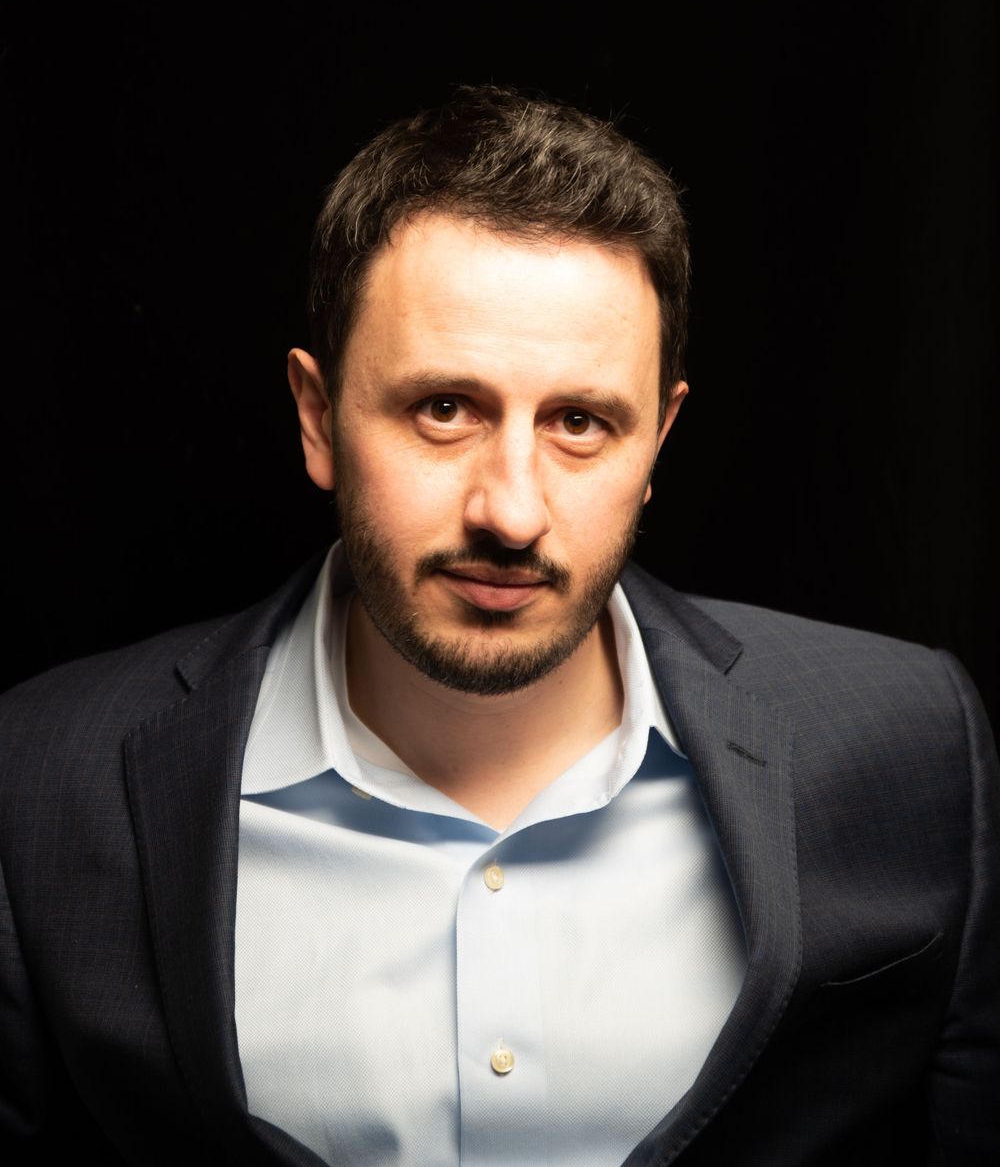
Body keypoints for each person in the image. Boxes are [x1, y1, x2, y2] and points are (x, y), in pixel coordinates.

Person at [1, 86, 997, 1167]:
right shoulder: (41, 775)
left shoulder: (912, 746)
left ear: (657, 439)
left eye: (579, 423)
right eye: (444, 410)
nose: (510, 512)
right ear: (316, 415)